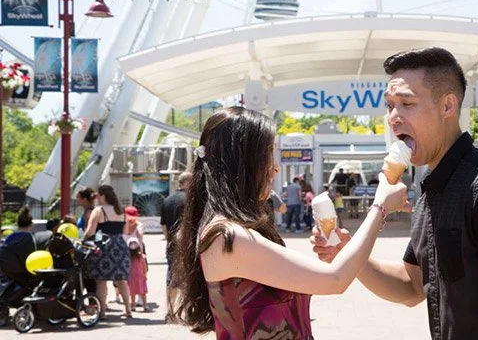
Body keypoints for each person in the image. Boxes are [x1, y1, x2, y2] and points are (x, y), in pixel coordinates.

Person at [313, 47, 478, 340]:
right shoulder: (429, 190)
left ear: (448, 106)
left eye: (407, 103)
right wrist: (349, 255)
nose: (394, 117)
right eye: (389, 105)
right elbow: (411, 286)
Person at [169, 106, 408, 340]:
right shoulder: (227, 237)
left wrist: (341, 249)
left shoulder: (231, 231)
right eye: (268, 154)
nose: (275, 167)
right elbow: (335, 279)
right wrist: (380, 206)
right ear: (243, 161)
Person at [84, 183, 133, 318]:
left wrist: (84, 239)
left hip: (104, 246)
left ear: (103, 196)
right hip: (120, 246)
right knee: (121, 280)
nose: (96, 198)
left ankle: (102, 312)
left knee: (101, 281)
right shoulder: (122, 211)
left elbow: (90, 232)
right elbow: (126, 232)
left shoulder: (98, 211)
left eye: (98, 195)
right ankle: (128, 310)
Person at [161, 170, 191, 310]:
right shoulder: (189, 199)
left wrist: (169, 239)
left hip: (172, 244)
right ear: (187, 183)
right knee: (189, 278)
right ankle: (187, 311)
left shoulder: (167, 200)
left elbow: (164, 226)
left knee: (171, 278)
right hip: (187, 244)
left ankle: (170, 309)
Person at [123, 207, 149, 311]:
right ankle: (120, 296)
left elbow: (140, 240)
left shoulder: (139, 226)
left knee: (141, 275)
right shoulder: (123, 225)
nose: (131, 221)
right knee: (125, 278)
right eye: (129, 218)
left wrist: (141, 254)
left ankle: (140, 299)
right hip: (125, 253)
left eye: (133, 218)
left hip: (137, 252)